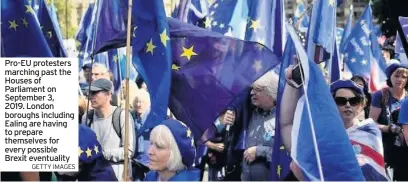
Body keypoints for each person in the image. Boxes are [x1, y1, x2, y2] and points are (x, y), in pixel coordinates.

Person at [281, 65, 388, 180]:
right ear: (331, 104)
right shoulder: (319, 134)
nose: (348, 105)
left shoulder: (370, 131)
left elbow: (373, 174)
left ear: (361, 105)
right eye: (341, 101)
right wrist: (292, 84)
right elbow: (287, 126)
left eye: (353, 101)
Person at [81, 78, 136, 181]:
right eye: (90, 93)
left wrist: (102, 153)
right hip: (92, 176)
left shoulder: (122, 116)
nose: (90, 96)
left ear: (108, 95)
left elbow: (128, 150)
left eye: (95, 93)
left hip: (116, 176)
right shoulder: (87, 117)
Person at [369, 63, 408, 180]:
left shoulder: (407, 98)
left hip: (404, 148)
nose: (400, 79)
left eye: (404, 77)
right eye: (397, 76)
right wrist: (389, 128)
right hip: (385, 147)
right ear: (390, 77)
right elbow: (371, 123)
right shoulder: (381, 95)